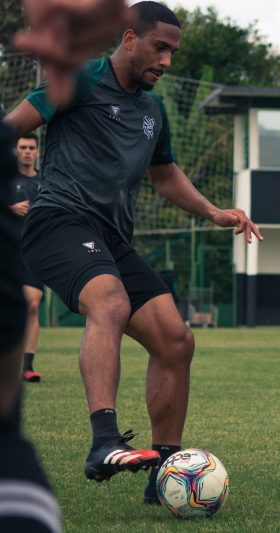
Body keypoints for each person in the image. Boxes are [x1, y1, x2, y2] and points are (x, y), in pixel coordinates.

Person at [2, 0, 262, 507]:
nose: (166, 61)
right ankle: (103, 441)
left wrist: (212, 212)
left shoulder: (152, 109)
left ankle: (163, 473)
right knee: (111, 303)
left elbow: (164, 175)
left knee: (176, 341)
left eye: (172, 52)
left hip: (111, 235)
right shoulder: (78, 81)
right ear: (127, 39)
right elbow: (11, 125)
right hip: (57, 219)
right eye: (159, 48)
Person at [2, 1, 128, 530]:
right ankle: (103, 435)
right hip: (60, 229)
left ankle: (113, 441)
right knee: (91, 303)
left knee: (172, 337)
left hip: (79, 236)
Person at [8, 133, 45, 382]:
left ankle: (27, 366)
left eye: (31, 147)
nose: (27, 151)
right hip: (7, 251)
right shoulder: (5, 178)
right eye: (22, 147)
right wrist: (10, 208)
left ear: (38, 152)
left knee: (32, 306)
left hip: (35, 252)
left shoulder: (46, 181)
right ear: (15, 151)